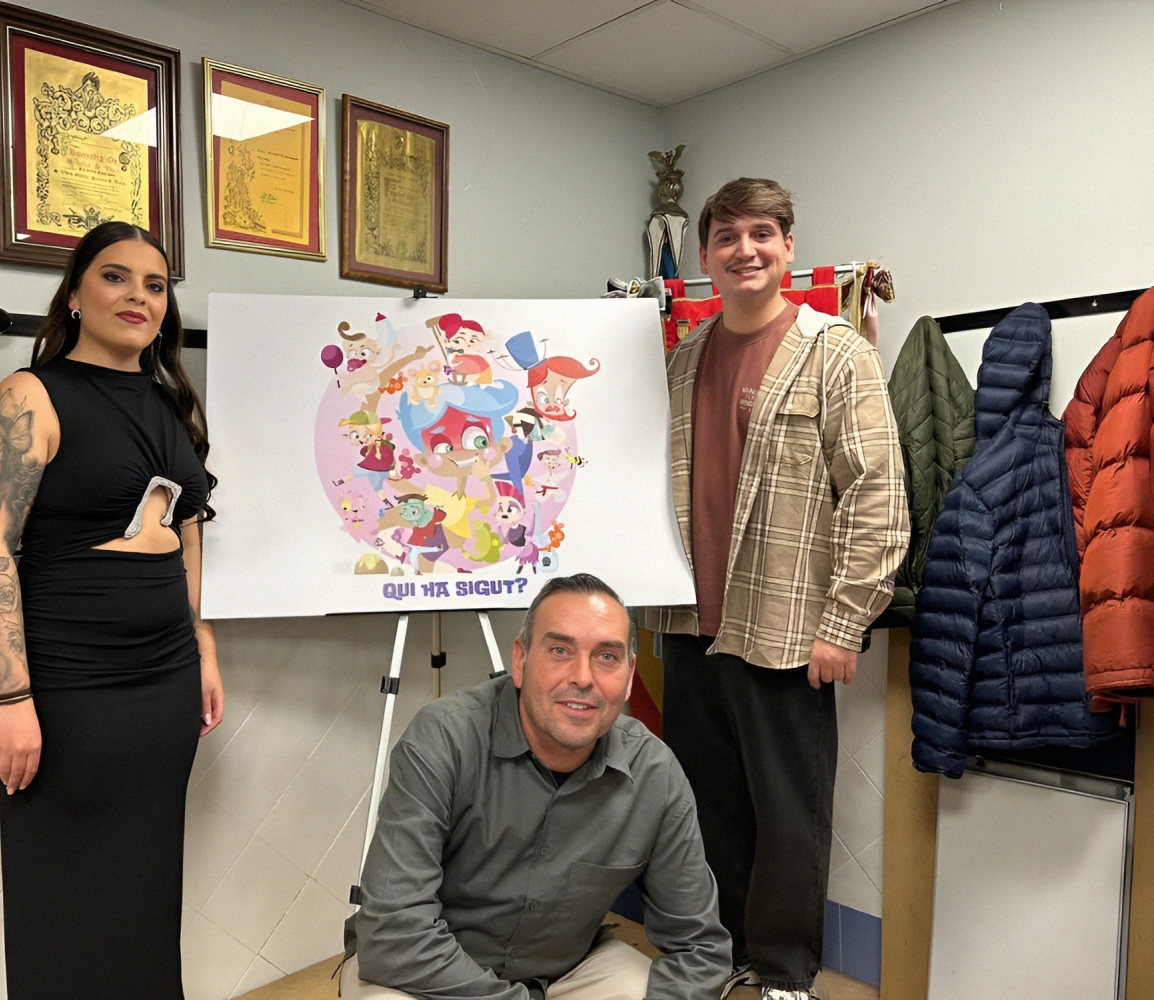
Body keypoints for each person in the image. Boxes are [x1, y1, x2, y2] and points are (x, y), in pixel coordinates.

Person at [644, 178, 908, 1000]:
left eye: (761, 233)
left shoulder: (836, 352)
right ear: (705, 254)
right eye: (726, 236)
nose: (744, 250)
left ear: (788, 247)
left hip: (788, 628)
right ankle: (720, 953)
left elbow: (876, 495)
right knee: (706, 806)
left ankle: (786, 971)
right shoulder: (682, 360)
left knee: (788, 813)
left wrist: (844, 622)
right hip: (688, 625)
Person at [0, 221, 223, 999]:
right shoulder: (29, 396)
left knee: (144, 900)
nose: (138, 295)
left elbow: (185, 531)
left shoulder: (172, 404)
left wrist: (201, 643)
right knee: (65, 910)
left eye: (155, 284)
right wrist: (9, 697)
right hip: (63, 689)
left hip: (162, 684)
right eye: (115, 276)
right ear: (75, 294)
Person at [343, 573, 732, 999]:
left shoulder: (655, 773)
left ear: (628, 676)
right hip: (426, 975)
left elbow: (700, 948)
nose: (583, 677)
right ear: (520, 660)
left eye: (606, 656)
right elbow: (395, 934)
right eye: (560, 650)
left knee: (644, 988)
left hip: (566, 972)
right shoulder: (444, 739)